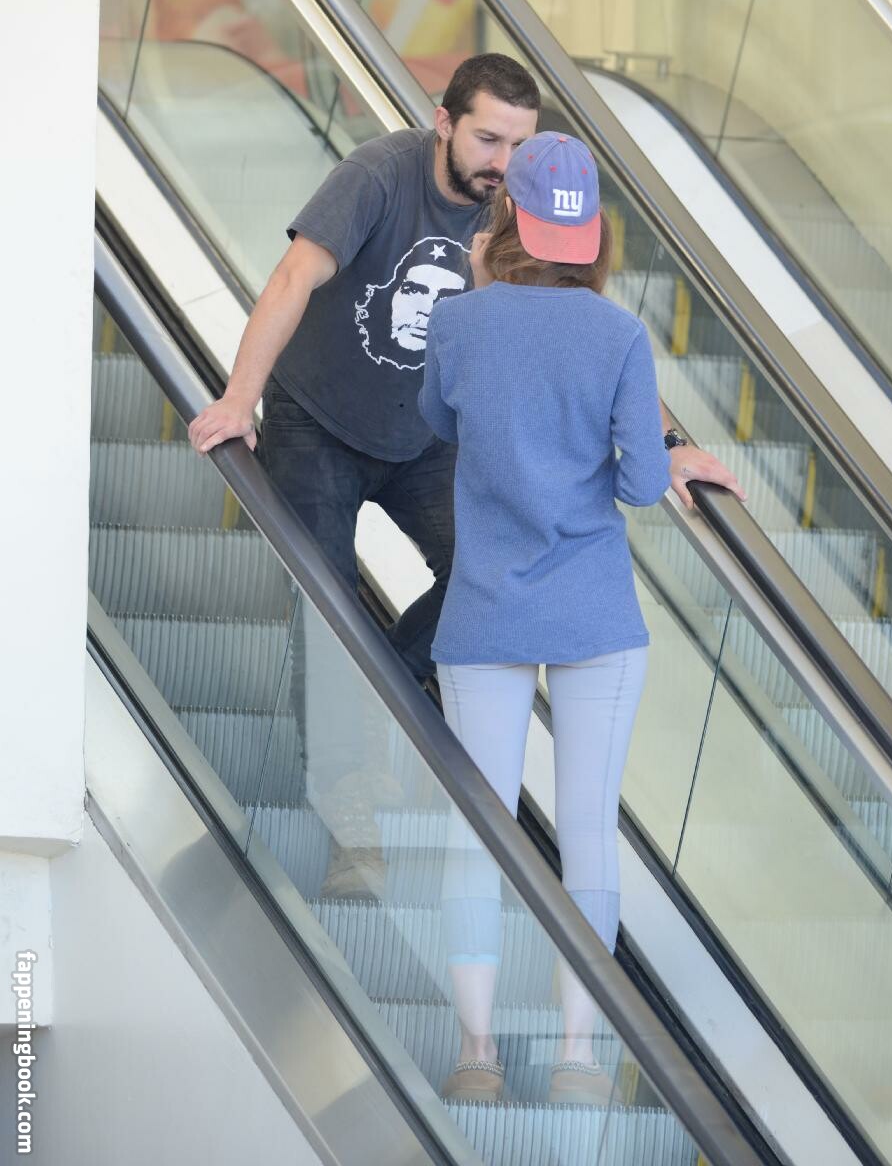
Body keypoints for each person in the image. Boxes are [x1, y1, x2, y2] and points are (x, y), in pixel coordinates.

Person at [418, 132, 746, 1105]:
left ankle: (477, 1054)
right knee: (590, 832)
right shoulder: (619, 335)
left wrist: (483, 284)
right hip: (595, 614)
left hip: (485, 613)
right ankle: (578, 1058)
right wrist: (650, 451)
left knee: (477, 833)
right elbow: (644, 485)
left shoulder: (459, 323)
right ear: (588, 232)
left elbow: (440, 422)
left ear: (507, 218)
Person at [187, 54, 540, 901]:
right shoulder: (378, 174)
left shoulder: (513, 208)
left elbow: (569, 322)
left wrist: (668, 441)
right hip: (317, 423)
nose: (503, 162)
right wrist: (240, 398)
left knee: (502, 564)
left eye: (520, 145)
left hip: (424, 436)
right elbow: (294, 277)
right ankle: (352, 830)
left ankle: (375, 682)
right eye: (488, 139)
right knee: (326, 603)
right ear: (444, 121)